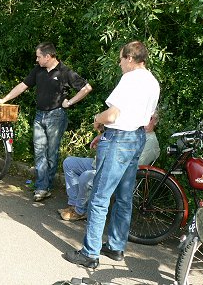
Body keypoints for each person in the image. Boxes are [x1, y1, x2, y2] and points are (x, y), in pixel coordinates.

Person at [64, 41, 160, 268]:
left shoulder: (130, 79)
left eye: (120, 59)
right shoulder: (153, 82)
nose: (119, 64)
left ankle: (90, 253)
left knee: (100, 197)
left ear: (129, 58)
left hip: (119, 140)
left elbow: (113, 115)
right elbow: (142, 117)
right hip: (137, 138)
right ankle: (116, 247)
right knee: (124, 198)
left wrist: (98, 119)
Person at [0, 42, 92, 202]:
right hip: (39, 116)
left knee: (51, 153)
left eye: (38, 57)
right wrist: (4, 99)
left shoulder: (65, 72)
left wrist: (70, 102)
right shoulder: (38, 70)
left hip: (56, 116)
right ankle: (42, 187)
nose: (36, 60)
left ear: (48, 56)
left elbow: (86, 88)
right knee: (39, 151)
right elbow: (22, 86)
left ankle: (47, 187)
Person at [59, 112, 160, 221]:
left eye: (150, 118)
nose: (145, 120)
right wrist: (102, 137)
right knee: (69, 163)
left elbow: (133, 166)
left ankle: (80, 211)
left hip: (115, 174)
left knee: (86, 176)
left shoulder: (151, 142)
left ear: (155, 121)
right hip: (100, 163)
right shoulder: (134, 131)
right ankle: (74, 205)